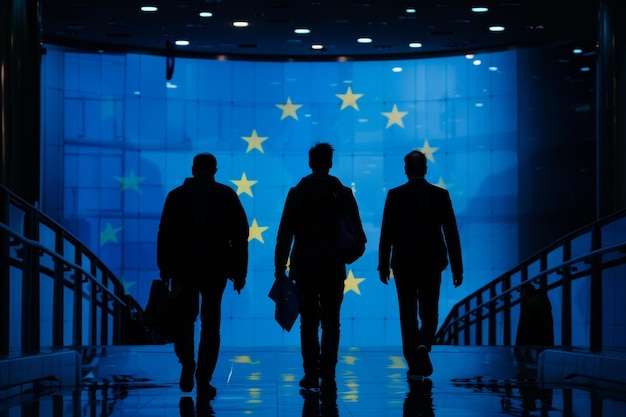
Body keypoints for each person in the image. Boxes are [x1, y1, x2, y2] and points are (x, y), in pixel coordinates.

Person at [274, 142, 366, 394]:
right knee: (331, 322)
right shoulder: (343, 193)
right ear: (330, 164)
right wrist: (346, 257)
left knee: (308, 322)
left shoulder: (297, 193)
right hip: (333, 267)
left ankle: (311, 374)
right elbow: (357, 232)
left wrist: (279, 267)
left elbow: (285, 233)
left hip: (303, 267)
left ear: (310, 163)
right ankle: (328, 374)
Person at [157, 152, 249, 398]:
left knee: (185, 319)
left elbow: (165, 235)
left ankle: (187, 363)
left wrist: (165, 269)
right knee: (211, 325)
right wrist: (239, 272)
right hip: (216, 266)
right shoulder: (226, 195)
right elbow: (241, 236)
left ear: (193, 169)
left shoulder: (176, 196)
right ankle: (204, 378)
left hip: (184, 267)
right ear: (215, 170)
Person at [378, 150, 463, 380]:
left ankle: (414, 361)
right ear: (425, 169)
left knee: (407, 313)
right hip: (431, 263)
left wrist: (383, 264)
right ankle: (424, 344)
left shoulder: (395, 196)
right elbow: (451, 233)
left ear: (406, 170)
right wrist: (457, 267)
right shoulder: (440, 195)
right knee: (430, 312)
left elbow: (386, 233)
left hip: (404, 264)